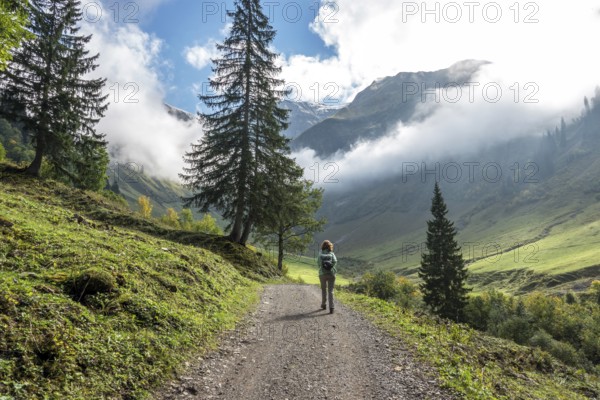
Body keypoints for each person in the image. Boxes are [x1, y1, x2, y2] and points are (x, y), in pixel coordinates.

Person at [318, 240, 337, 314]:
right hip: (331, 274)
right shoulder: (332, 254)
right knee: (331, 291)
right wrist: (331, 267)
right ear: (330, 246)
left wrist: (322, 268)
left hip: (322, 274)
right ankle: (331, 307)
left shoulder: (320, 254)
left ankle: (323, 304)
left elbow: (318, 263)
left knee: (323, 290)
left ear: (322, 246)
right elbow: (335, 261)